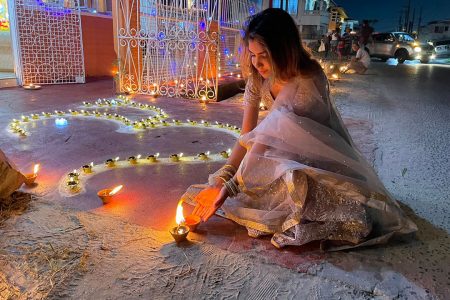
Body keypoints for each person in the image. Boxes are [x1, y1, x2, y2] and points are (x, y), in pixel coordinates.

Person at [182, 8, 416, 250]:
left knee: (316, 200)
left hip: (317, 159)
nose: (257, 63)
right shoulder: (258, 79)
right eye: (252, 55)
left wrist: (231, 186)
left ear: (284, 50)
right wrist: (224, 175)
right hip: (281, 153)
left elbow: (273, 136)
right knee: (258, 186)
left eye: (264, 54)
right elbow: (248, 136)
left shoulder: (308, 79)